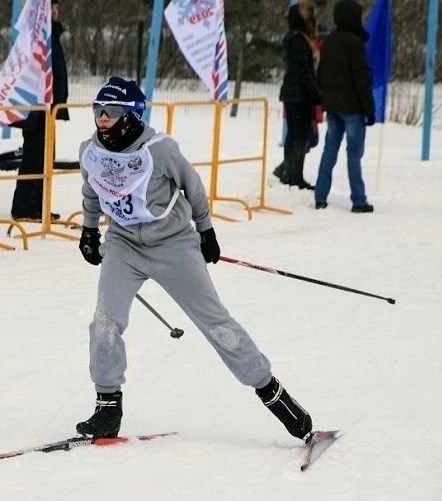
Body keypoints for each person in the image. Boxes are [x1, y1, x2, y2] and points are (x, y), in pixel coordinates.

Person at [74, 76, 315, 445]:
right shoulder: (90, 151)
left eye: (112, 111)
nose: (103, 118)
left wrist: (206, 231)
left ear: (132, 115)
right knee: (104, 322)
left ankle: (274, 395)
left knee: (216, 324)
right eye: (98, 110)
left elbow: (194, 187)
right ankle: (108, 407)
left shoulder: (161, 150)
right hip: (123, 245)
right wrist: (89, 231)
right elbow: (92, 191)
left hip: (173, 245)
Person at [312, 0, 375, 213]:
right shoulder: (355, 44)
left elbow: (321, 75)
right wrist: (370, 109)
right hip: (353, 108)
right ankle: (358, 199)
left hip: (333, 107)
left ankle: (320, 196)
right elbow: (361, 80)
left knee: (329, 151)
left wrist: (326, 100)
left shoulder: (329, 42)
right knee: (354, 153)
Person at [10, 0, 70, 221]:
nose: (55, 11)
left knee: (44, 157)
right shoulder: (38, 36)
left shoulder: (51, 34)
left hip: (49, 108)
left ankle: (38, 205)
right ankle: (25, 207)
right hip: (37, 109)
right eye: (51, 7)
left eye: (56, 7)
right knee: (35, 157)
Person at [274, 1, 320, 189]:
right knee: (300, 136)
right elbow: (304, 71)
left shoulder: (289, 37)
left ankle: (288, 174)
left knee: (292, 135)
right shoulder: (301, 40)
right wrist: (314, 92)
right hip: (300, 95)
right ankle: (296, 177)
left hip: (291, 92)